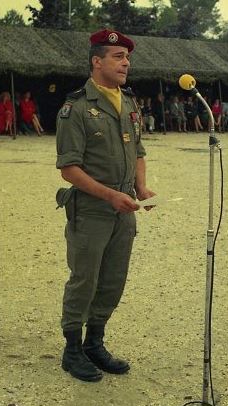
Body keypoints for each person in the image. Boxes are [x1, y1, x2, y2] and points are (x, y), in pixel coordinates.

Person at [56, 29, 155, 382]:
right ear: (96, 61)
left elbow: (139, 151)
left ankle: (94, 343)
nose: (125, 62)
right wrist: (111, 195)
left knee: (113, 280)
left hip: (123, 210)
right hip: (92, 210)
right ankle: (72, 349)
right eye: (117, 56)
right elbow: (69, 169)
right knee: (85, 279)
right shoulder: (77, 107)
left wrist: (140, 187)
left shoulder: (128, 102)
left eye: (127, 57)